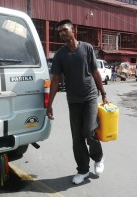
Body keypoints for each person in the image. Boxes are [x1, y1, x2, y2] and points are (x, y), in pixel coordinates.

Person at [46, 19, 108, 185]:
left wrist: (103, 93)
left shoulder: (86, 48)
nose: (62, 33)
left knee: (89, 131)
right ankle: (83, 169)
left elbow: (95, 72)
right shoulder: (60, 55)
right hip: (73, 101)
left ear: (73, 30)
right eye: (60, 32)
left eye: (65, 30)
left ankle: (98, 158)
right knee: (77, 138)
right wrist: (50, 104)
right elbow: (55, 80)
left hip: (89, 97)